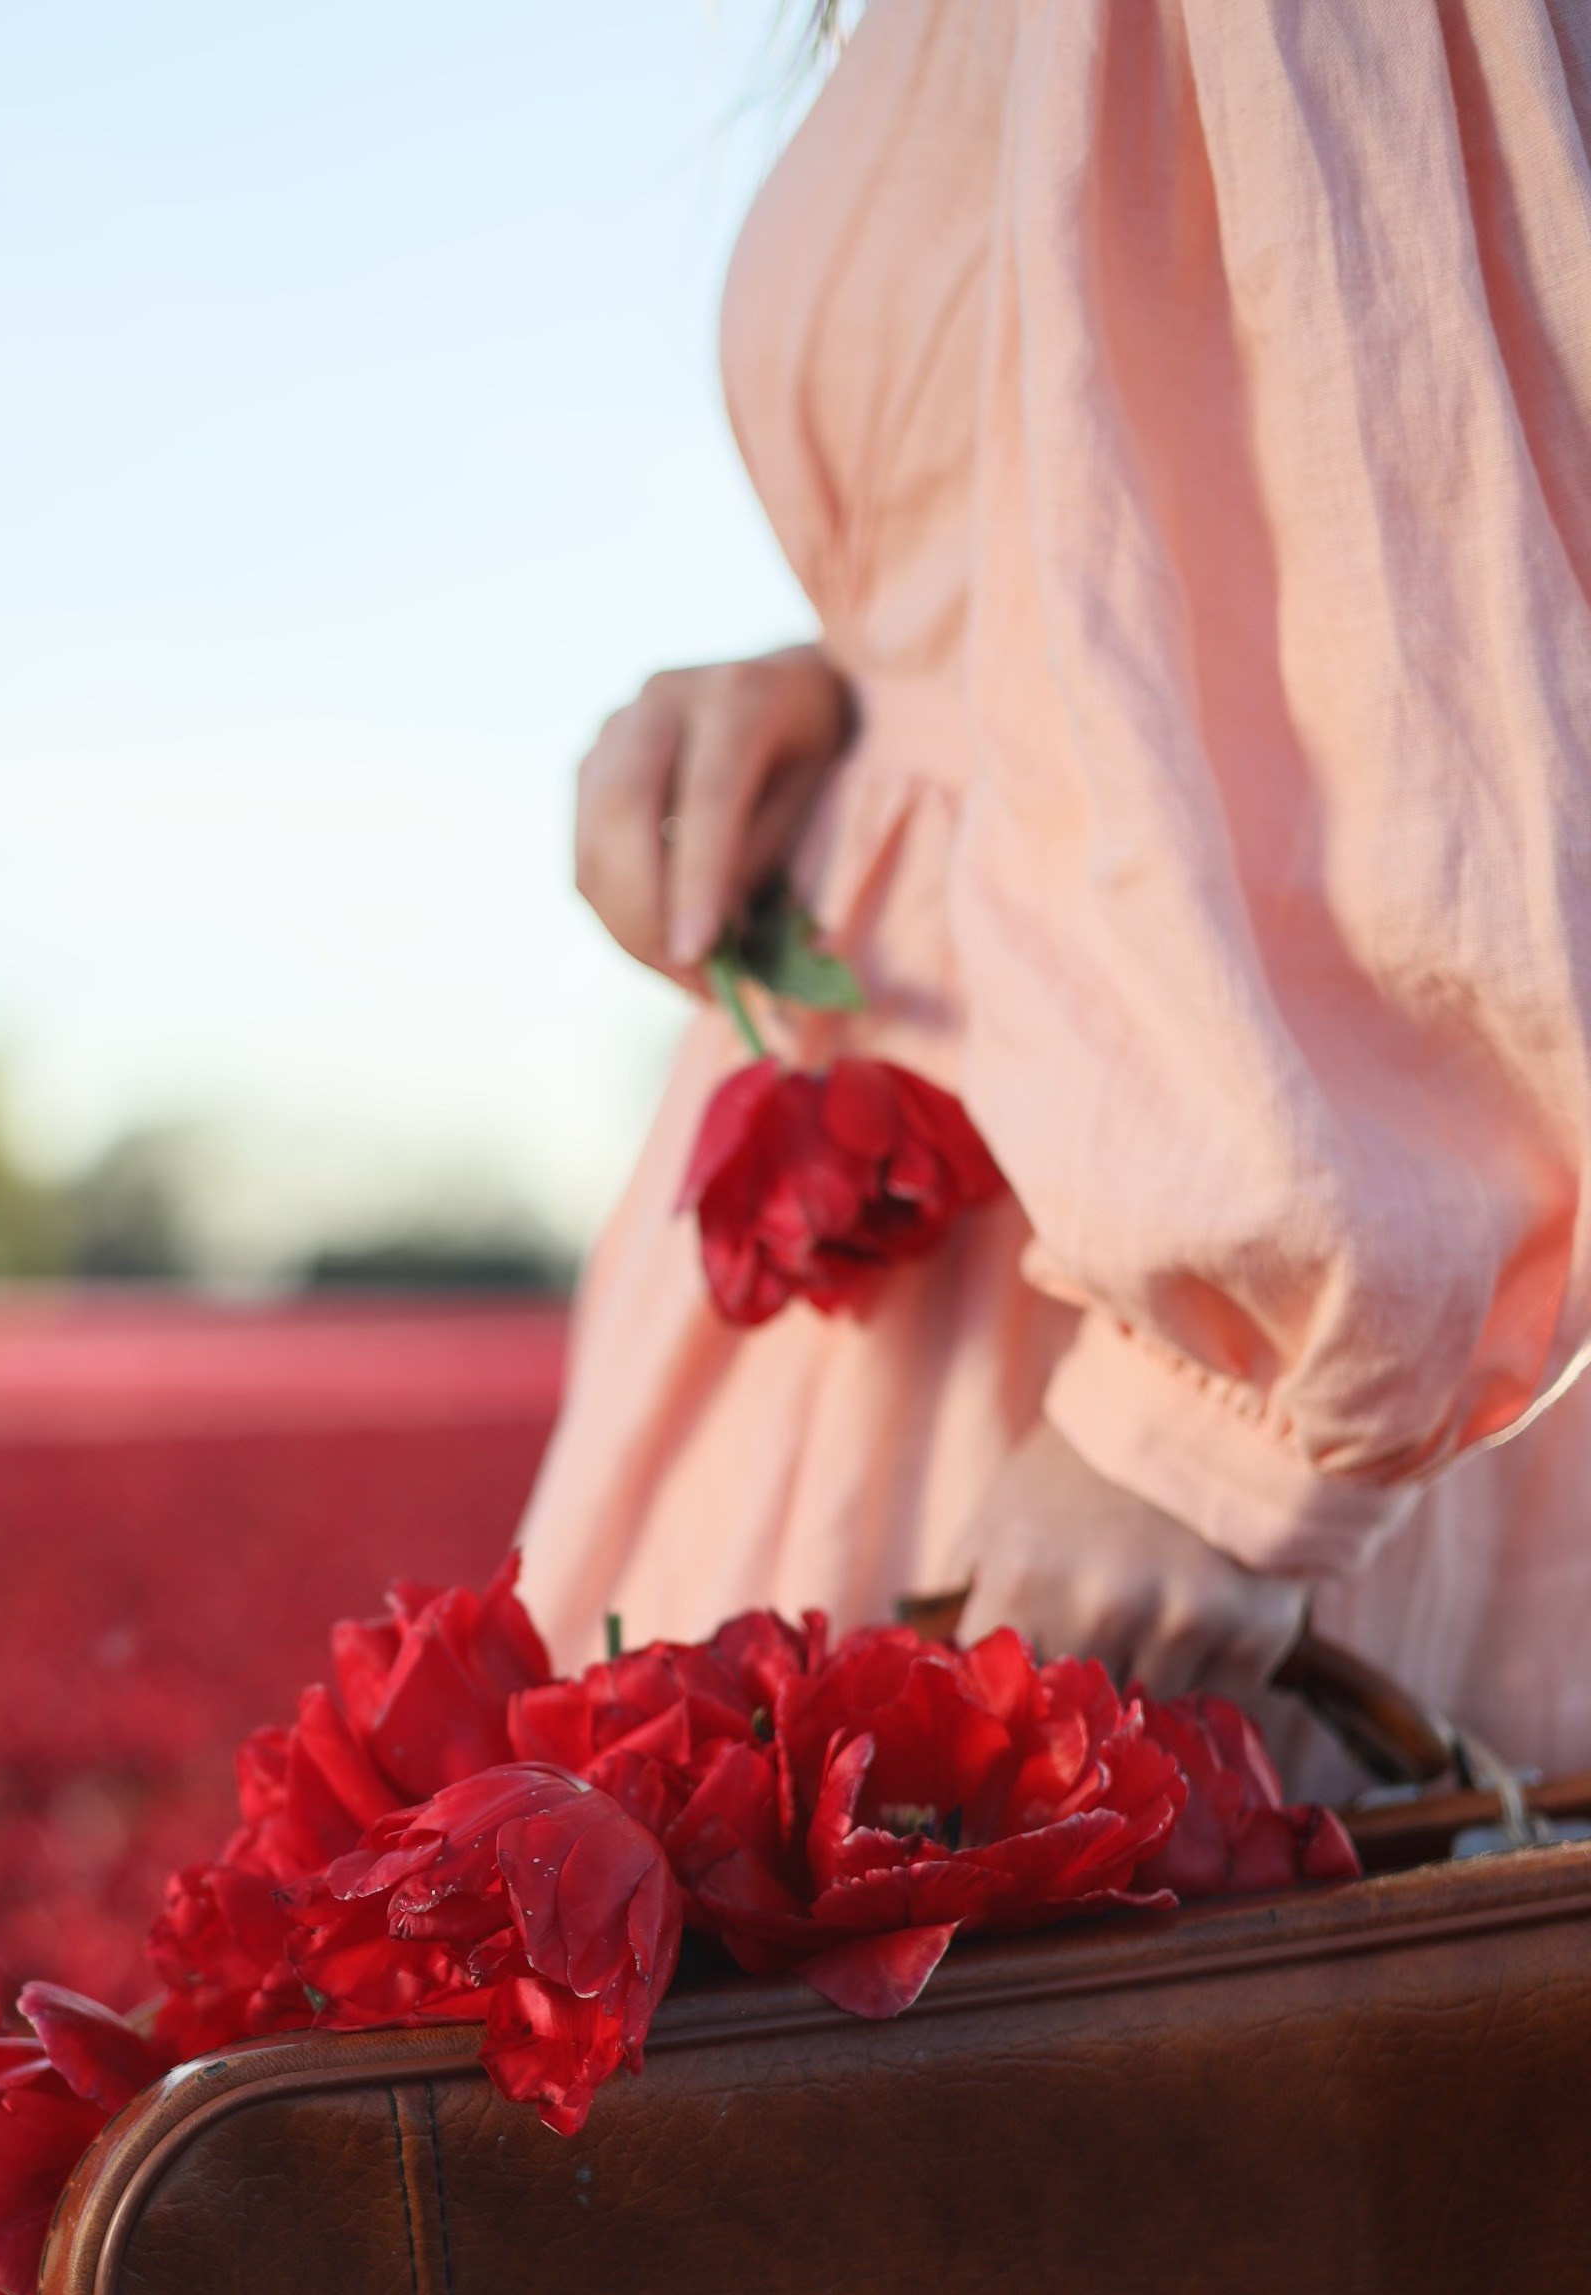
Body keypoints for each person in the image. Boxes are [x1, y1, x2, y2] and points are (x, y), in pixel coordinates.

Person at [517, 0, 1591, 1788]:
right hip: (983, 1296)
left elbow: (1471, 622)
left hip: (1110, 1385)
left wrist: (1209, 1443)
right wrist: (857, 683)